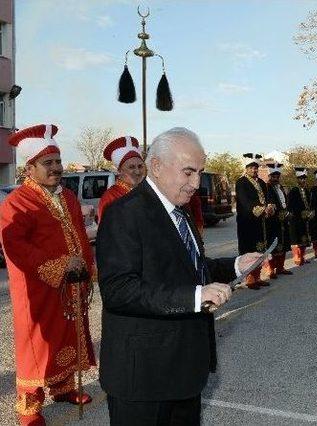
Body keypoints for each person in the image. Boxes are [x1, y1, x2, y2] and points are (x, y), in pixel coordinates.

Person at [97, 127, 263, 426]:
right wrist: (194, 296)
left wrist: (236, 266)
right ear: (157, 166)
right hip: (144, 379)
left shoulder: (179, 210)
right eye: (188, 172)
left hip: (184, 372)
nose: (196, 183)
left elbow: (191, 267)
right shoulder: (124, 213)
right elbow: (119, 290)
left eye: (200, 172)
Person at [0, 124, 96, 426]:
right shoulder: (17, 202)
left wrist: (86, 264)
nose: (56, 168)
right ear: (30, 167)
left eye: (58, 161)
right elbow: (14, 245)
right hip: (38, 288)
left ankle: (64, 387)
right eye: (48, 163)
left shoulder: (67, 196)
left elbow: (80, 234)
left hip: (70, 285)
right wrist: (57, 265)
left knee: (67, 334)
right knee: (36, 346)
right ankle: (28, 409)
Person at [235, 153, 274, 289]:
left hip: (261, 222)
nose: (254, 170)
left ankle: (257, 277)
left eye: (256, 167)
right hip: (248, 222)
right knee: (250, 250)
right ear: (246, 168)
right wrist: (261, 210)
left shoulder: (262, 182)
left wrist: (269, 206)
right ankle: (250, 279)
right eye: (251, 167)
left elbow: (268, 198)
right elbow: (245, 202)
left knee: (261, 250)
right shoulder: (241, 182)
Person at [97, 135, 145, 223]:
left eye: (140, 166)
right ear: (119, 170)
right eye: (131, 167)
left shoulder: (146, 192)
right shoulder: (110, 197)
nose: (137, 172)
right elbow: (108, 232)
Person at [263, 162, 293, 278]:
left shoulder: (281, 187)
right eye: (273, 177)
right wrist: (278, 213)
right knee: (273, 245)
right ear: (270, 177)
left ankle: (280, 267)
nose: (276, 179)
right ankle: (270, 269)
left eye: (277, 177)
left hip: (284, 220)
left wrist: (288, 212)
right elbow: (269, 203)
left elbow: (285, 202)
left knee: (284, 243)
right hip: (273, 221)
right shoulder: (267, 187)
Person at [288, 167, 314, 266]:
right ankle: (296, 257)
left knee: (304, 238)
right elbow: (290, 205)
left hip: (305, 219)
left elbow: (309, 204)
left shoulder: (307, 191)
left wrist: (310, 212)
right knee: (296, 239)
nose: (302, 180)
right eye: (301, 179)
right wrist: (300, 213)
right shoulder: (293, 191)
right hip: (296, 219)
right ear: (297, 179)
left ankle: (302, 256)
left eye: (304, 179)